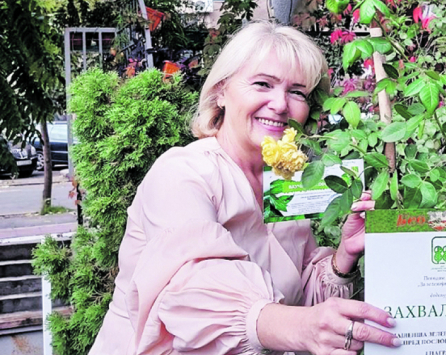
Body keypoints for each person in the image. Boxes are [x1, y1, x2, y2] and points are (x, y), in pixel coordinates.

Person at [90, 22, 399, 355]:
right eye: (263, 84)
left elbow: (294, 300)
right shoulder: (182, 172)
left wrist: (344, 256)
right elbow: (193, 290)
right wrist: (301, 328)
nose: (281, 104)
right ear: (221, 91)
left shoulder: (285, 181)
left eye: (297, 92)